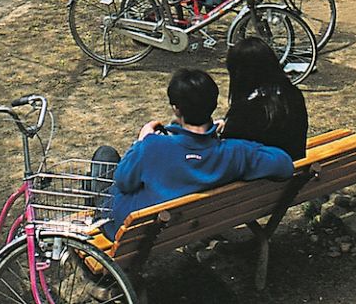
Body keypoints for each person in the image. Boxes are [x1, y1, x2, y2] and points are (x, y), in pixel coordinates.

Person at [97, 68, 293, 238]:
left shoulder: (153, 146)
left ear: (176, 109)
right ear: (213, 104)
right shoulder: (236, 153)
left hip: (125, 229)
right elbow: (284, 165)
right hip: (184, 227)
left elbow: (123, 181)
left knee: (105, 155)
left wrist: (140, 140)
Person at [218, 38, 309, 161]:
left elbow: (227, 154)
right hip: (294, 168)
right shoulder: (293, 94)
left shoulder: (245, 111)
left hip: (264, 177)